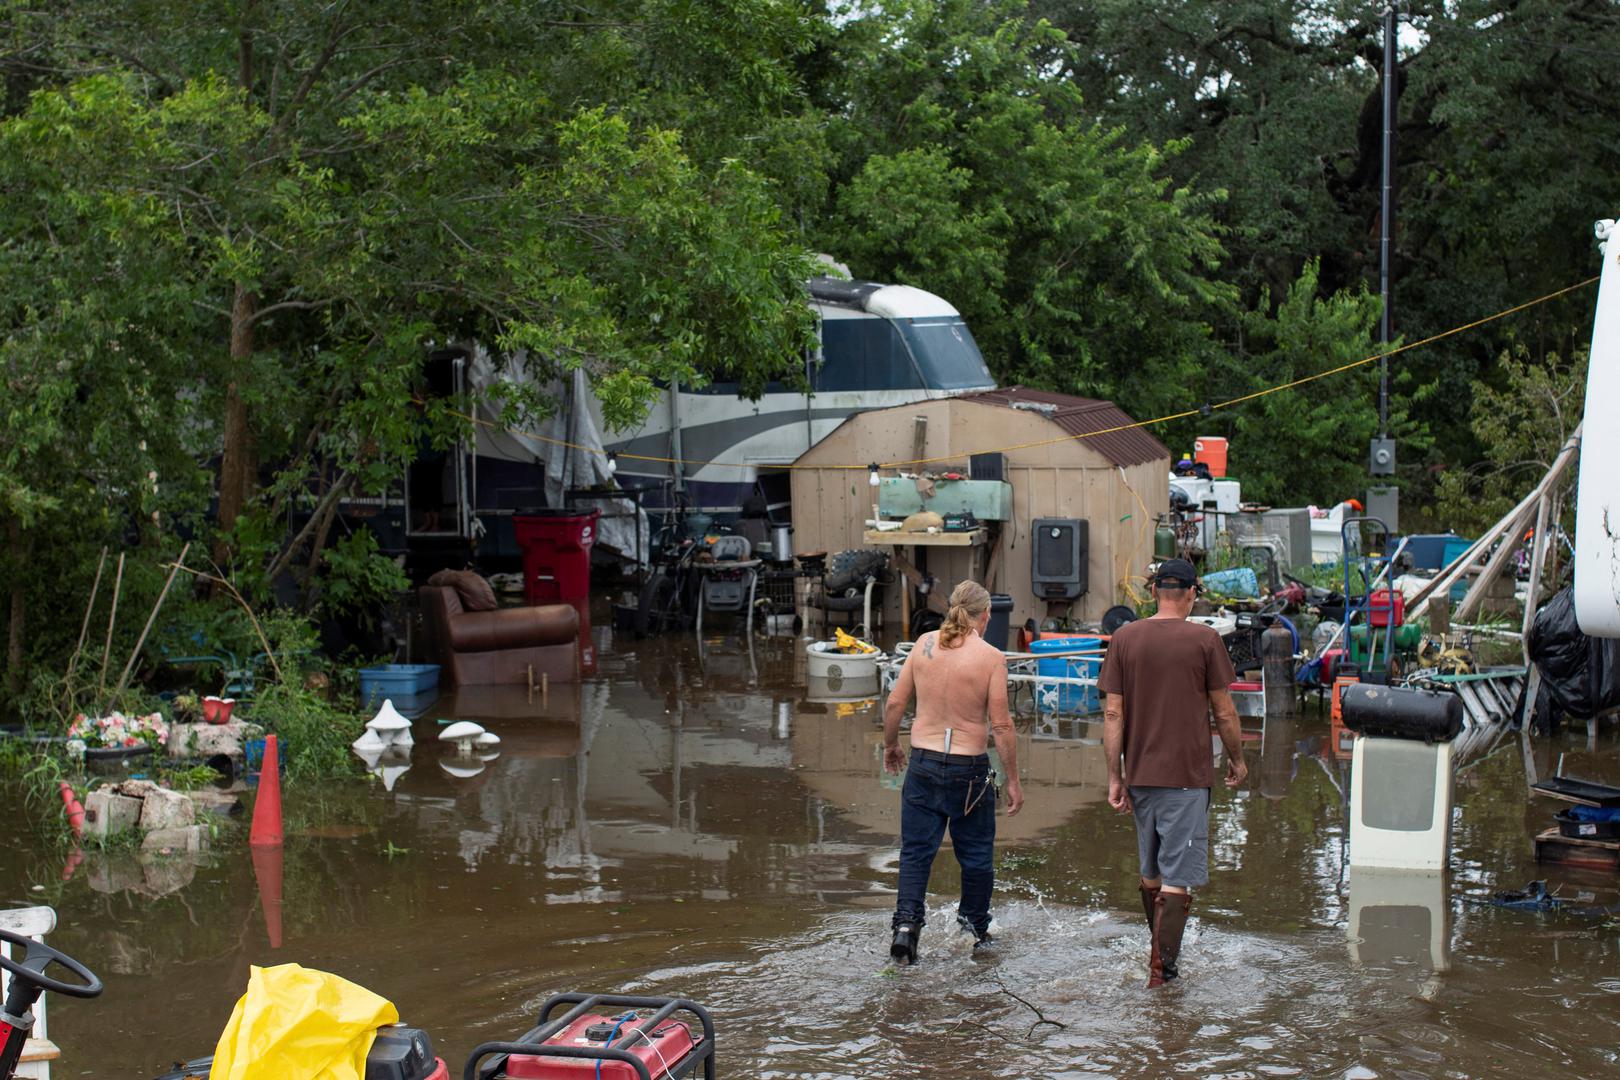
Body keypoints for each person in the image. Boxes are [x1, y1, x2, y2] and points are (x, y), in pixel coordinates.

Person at [1098, 558, 1246, 987]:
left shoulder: (1124, 637)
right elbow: (1224, 710)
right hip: (1186, 777)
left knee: (1151, 872)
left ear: (1153, 592)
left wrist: (1114, 776)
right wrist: (1237, 759)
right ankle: (1163, 972)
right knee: (1178, 879)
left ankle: (1158, 953)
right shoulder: (1205, 640)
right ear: (1192, 594)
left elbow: (1112, 713)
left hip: (1140, 774)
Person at [882, 581, 1024, 964]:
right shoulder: (991, 656)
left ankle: (906, 928)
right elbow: (1003, 726)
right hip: (969, 769)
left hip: (923, 761)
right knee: (976, 855)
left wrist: (891, 745)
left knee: (915, 853)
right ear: (986, 615)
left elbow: (895, 702)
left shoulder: (924, 645)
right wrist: (1012, 779)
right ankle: (975, 929)